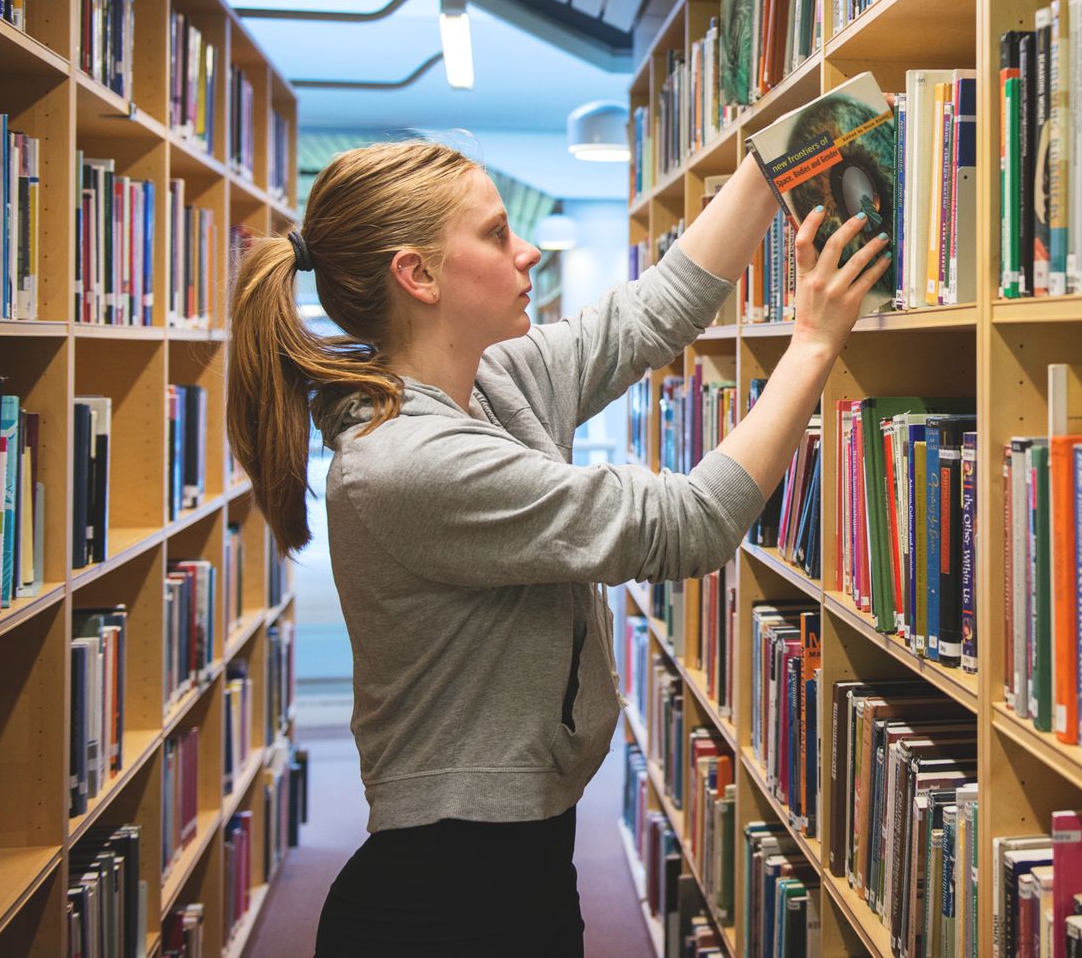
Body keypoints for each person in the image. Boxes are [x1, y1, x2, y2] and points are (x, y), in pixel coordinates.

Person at [225, 139, 888, 956]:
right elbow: (689, 522)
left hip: (523, 862)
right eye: (498, 233)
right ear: (419, 276)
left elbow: (649, 313)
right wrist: (814, 343)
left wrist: (773, 161)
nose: (527, 249)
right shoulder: (405, 462)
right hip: (443, 900)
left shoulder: (492, 381)